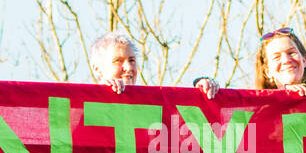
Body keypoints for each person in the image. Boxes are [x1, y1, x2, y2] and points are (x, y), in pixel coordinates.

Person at [89, 32, 219, 98]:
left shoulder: (151, 105)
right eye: (118, 61)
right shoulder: (79, 109)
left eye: (132, 60)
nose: (128, 68)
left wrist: (200, 93)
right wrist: (101, 94)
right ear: (97, 69)